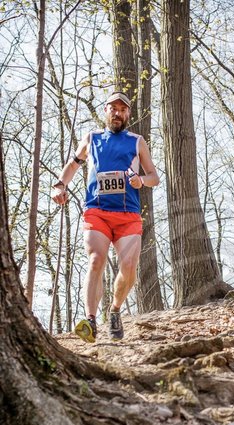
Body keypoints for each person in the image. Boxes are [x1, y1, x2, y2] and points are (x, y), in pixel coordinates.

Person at [51, 91, 160, 343]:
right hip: (97, 211)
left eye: (123, 109)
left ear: (128, 114)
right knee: (95, 260)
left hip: (128, 214)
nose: (117, 113)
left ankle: (115, 309)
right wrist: (59, 185)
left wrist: (141, 180)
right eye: (113, 108)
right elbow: (74, 164)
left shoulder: (137, 141)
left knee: (129, 268)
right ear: (105, 111)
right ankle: (90, 321)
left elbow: (154, 176)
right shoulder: (92, 138)